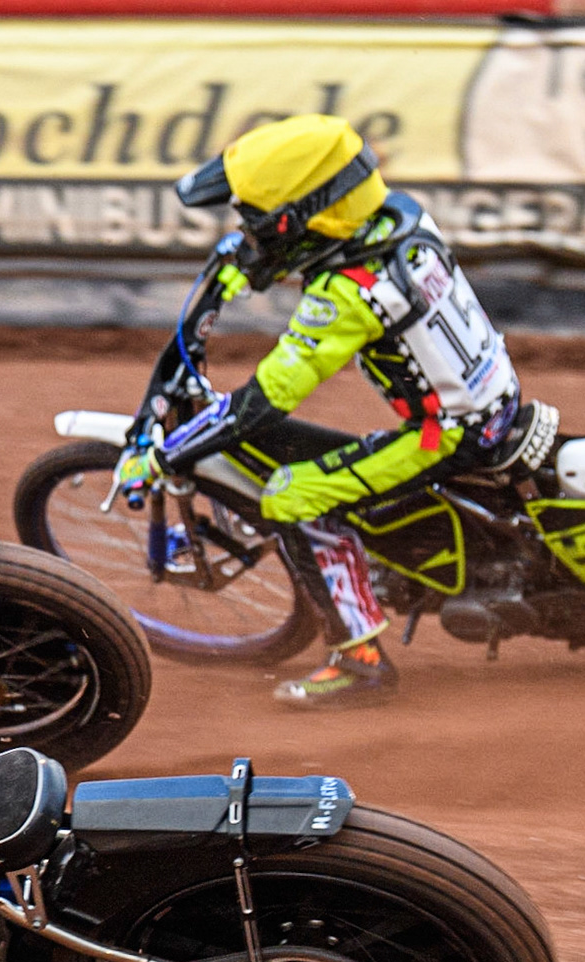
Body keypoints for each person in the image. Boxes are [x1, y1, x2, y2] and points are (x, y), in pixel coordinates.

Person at [126, 114, 556, 708]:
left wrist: (168, 453)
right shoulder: (398, 219)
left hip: (450, 436)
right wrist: (253, 261)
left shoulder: (348, 296)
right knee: (305, 454)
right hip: (491, 396)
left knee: (290, 495)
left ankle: (360, 662)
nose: (248, 230)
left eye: (258, 221)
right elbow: (301, 253)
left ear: (308, 216)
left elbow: (265, 399)